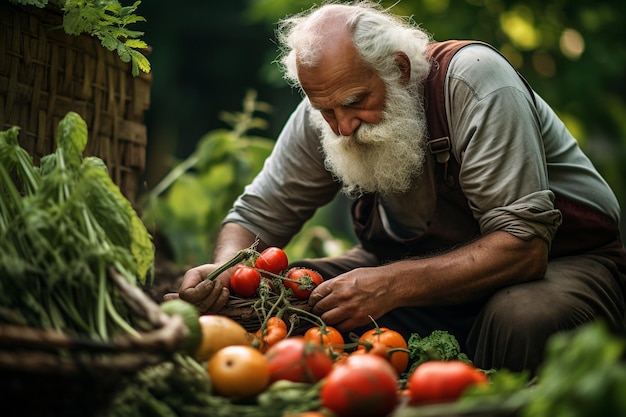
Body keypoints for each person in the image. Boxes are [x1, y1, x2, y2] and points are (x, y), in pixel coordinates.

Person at [164, 1, 626, 373]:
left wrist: (390, 285)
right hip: (410, 272)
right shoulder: (327, 104)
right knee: (283, 297)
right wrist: (226, 270)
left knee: (523, 318)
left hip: (564, 263)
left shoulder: (474, 80)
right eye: (326, 111)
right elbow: (255, 217)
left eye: (355, 103)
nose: (341, 127)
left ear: (400, 69)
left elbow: (524, 249)